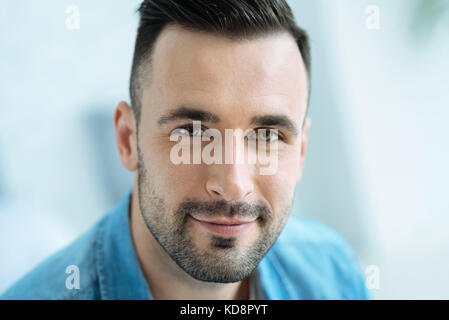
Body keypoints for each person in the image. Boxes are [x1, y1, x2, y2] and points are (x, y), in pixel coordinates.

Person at [1, 0, 369, 300]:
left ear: (300, 153)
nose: (233, 185)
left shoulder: (332, 271)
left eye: (268, 136)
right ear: (128, 140)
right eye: (193, 132)